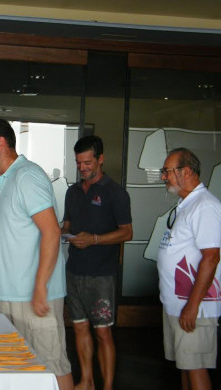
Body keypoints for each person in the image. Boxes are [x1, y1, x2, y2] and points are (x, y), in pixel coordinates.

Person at [0, 117, 74, 390]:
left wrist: (40, 287)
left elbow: (51, 232)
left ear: (1, 142)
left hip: (35, 294)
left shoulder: (27, 175)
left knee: (54, 365)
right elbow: (6, 230)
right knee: (23, 368)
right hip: (12, 293)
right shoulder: (4, 179)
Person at [61, 135, 132, 390]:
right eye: (79, 163)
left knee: (103, 333)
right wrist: (59, 233)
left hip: (102, 276)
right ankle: (87, 381)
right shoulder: (71, 192)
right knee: (79, 329)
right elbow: (67, 226)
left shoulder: (116, 193)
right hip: (74, 272)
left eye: (88, 162)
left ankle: (108, 386)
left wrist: (94, 239)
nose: (82, 168)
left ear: (101, 159)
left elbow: (127, 232)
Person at [157, 148, 221, 390]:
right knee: (185, 367)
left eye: (167, 171)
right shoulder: (186, 203)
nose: (163, 177)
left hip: (194, 307)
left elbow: (211, 258)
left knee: (195, 368)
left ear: (185, 171)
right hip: (178, 303)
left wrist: (193, 305)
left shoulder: (205, 206)